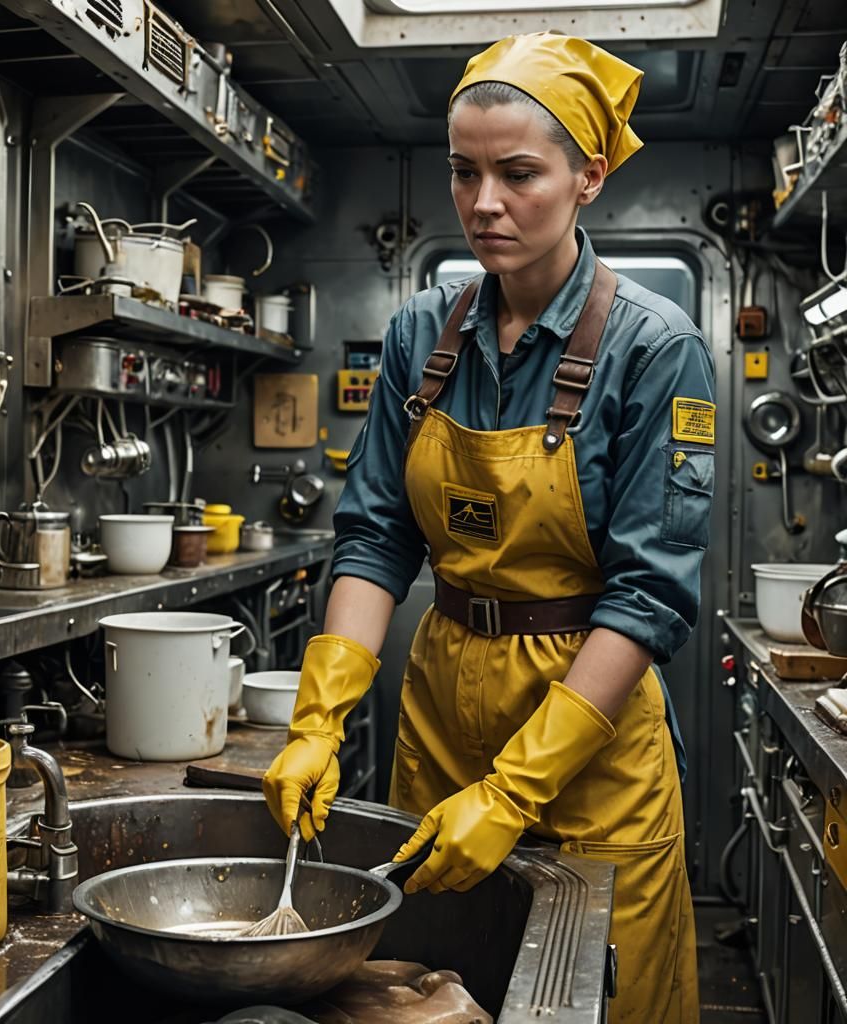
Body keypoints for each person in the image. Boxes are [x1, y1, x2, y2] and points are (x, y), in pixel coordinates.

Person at [263, 31, 714, 1024]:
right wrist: (317, 724)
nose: (483, 204)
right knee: (430, 991)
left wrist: (511, 795)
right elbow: (377, 538)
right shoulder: (420, 334)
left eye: (519, 174)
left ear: (588, 175)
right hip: (440, 712)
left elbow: (649, 597)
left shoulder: (655, 347)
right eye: (463, 173)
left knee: (596, 994)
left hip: (588, 741)